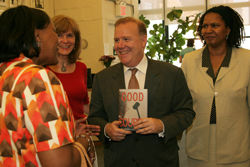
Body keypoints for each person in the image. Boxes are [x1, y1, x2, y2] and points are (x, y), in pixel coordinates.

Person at [88, 16, 195, 167]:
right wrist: (106, 129)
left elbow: (186, 113)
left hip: (160, 160)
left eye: (126, 39)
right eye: (117, 40)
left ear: (143, 41)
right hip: (118, 160)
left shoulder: (171, 74)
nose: (120, 45)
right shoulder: (102, 78)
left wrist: (161, 125)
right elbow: (94, 117)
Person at [0, 6, 100, 167]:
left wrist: (65, 128)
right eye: (55, 32)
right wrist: (85, 140)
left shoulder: (6, 73)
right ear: (37, 36)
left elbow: (20, 134)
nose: (59, 41)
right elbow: (61, 163)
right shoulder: (37, 77)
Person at [181, 5, 250, 167]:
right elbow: (183, 103)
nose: (208, 30)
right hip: (199, 145)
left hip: (237, 147)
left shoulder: (247, 60)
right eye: (204, 26)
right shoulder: (190, 60)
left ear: (228, 30)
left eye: (215, 25)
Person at [47, 15, 90, 122]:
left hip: (81, 132)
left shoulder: (81, 67)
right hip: (55, 132)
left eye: (70, 35)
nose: (65, 40)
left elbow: (84, 104)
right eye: (60, 35)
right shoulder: (42, 69)